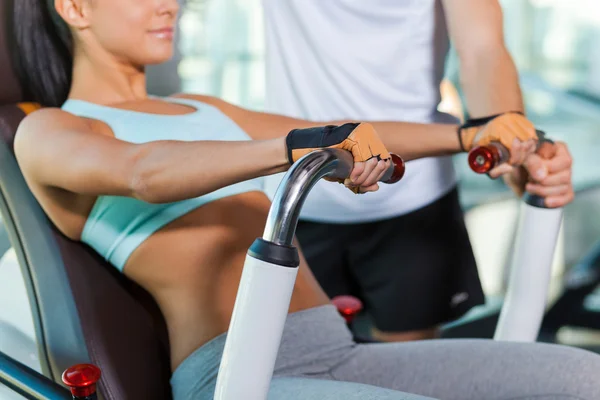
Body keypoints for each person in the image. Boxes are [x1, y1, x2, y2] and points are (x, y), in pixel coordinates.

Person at [11, 0, 594, 399]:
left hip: (337, 353)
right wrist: (296, 147)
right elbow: (142, 171)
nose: (170, 5)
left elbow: (338, 126)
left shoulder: (203, 109)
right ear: (75, 7)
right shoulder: (55, 129)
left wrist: (473, 134)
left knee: (580, 380)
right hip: (235, 376)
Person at [262, 0, 543, 341]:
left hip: (414, 194)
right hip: (297, 199)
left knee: (407, 379)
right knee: (294, 367)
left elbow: (482, 48)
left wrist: (508, 145)